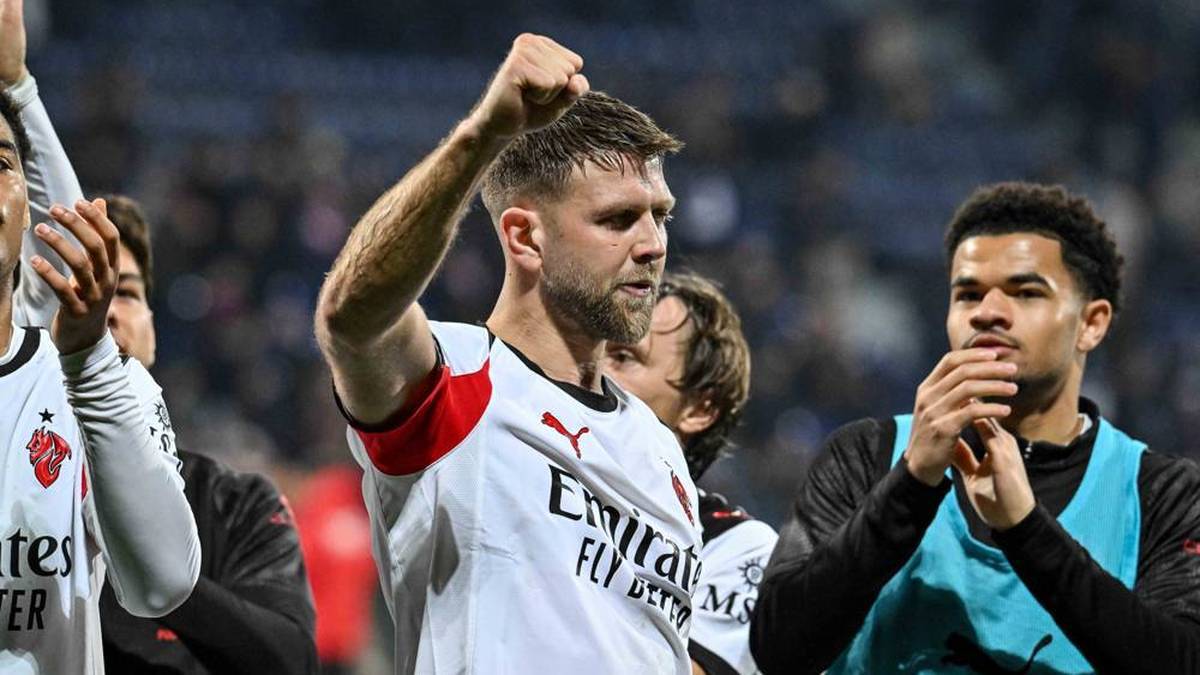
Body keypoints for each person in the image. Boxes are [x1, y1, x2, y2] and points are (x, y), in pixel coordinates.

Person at [315, 34, 702, 674]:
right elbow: (351, 318)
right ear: (524, 236)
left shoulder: (659, 452)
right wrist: (483, 135)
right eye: (617, 219)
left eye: (660, 216)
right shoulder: (460, 377)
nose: (653, 244)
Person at [751, 182, 1200, 673]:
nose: (987, 312)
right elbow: (778, 649)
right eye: (967, 294)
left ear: (1091, 323)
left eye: (1026, 292)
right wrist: (910, 484)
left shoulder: (1163, 493)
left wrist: (1027, 531)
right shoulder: (866, 455)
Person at [0, 4, 200, 672]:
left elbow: (162, 583)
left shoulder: (91, 386)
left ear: (25, 210)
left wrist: (20, 90)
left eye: (0, 163)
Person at [92, 197, 318, 675]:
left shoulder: (235, 504)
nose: (104, 312)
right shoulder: (15, 490)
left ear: (153, 331)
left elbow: (291, 664)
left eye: (127, 294)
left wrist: (161, 569)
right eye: (82, 289)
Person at [604, 271, 776, 675]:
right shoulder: (535, 480)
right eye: (599, 350)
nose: (597, 369)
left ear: (700, 409)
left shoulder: (735, 548)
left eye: (625, 358)